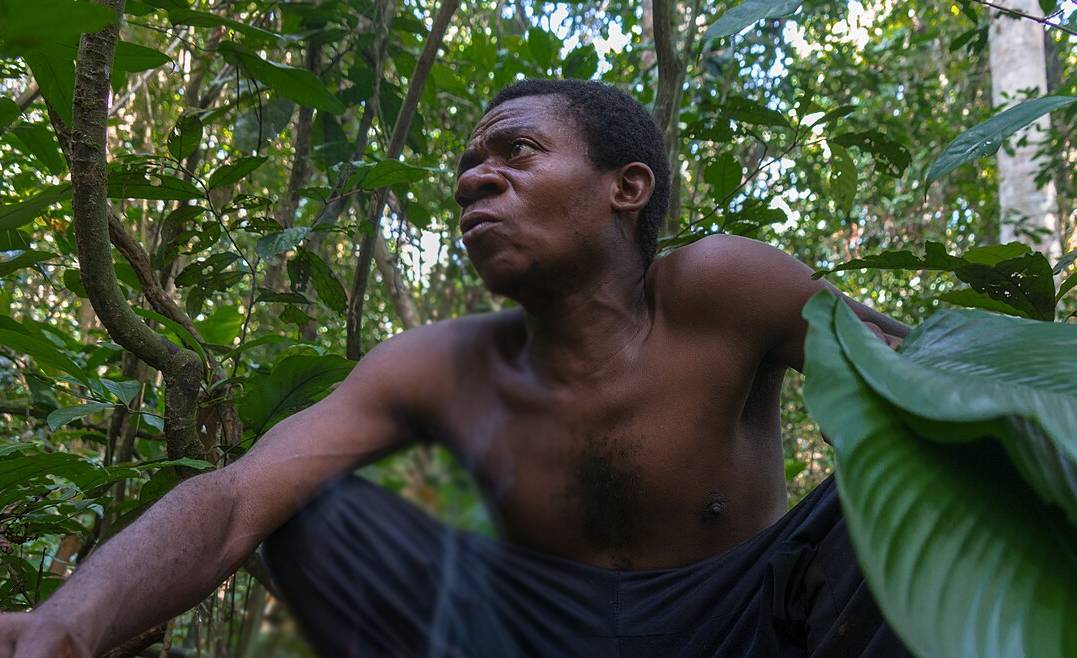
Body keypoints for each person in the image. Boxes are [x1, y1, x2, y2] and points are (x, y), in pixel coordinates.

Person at [0, 80, 911, 658]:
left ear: (624, 189)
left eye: (516, 152)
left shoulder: (724, 285)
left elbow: (921, 380)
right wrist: (66, 624)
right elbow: (239, 497)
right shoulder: (437, 363)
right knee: (312, 515)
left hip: (746, 625)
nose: (476, 179)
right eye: (468, 164)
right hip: (526, 634)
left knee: (906, 479)